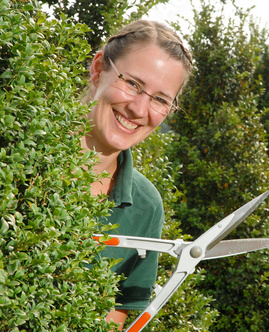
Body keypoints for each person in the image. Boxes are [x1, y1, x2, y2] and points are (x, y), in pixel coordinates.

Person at [80, 20, 193, 331]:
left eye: (160, 99)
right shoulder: (22, 150)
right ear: (98, 68)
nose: (139, 109)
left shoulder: (147, 206)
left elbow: (116, 313)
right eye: (132, 83)